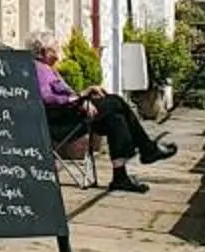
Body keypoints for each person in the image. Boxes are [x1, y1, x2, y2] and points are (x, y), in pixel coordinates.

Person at [29, 34, 177, 194]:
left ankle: (120, 177)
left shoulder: (49, 69)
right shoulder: (39, 69)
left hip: (71, 113)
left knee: (115, 118)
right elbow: (47, 98)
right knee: (115, 102)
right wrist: (81, 97)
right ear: (44, 51)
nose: (58, 50)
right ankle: (147, 149)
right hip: (62, 122)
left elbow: (63, 97)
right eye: (55, 47)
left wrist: (84, 99)